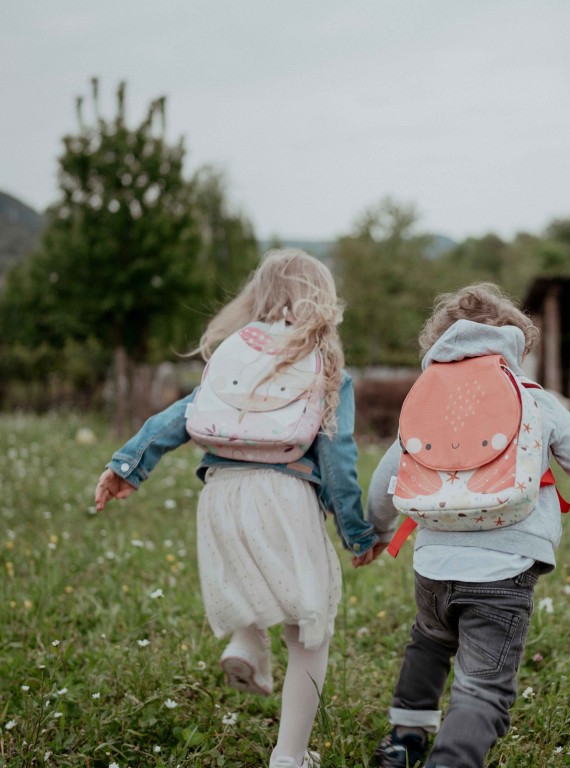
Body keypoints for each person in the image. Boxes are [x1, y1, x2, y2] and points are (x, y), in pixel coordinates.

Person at [94, 249, 380, 768]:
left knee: (253, 579)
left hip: (221, 494)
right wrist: (357, 535)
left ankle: (246, 645)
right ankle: (289, 757)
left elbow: (180, 415)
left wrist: (127, 467)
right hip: (285, 496)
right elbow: (338, 459)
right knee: (308, 628)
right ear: (324, 302)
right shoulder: (326, 366)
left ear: (257, 297)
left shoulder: (231, 355)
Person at [366, 283, 570, 768]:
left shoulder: (426, 402)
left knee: (428, 640)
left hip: (433, 566)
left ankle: (404, 741)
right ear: (515, 343)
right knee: (483, 689)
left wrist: (379, 530)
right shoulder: (533, 397)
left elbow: (388, 475)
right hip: (504, 573)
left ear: (439, 343)